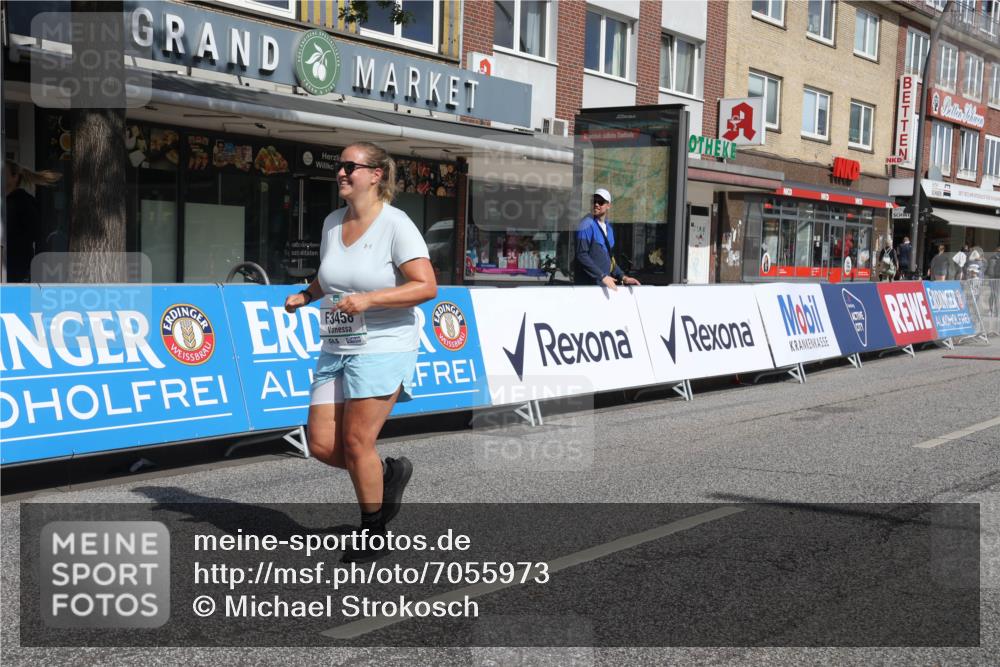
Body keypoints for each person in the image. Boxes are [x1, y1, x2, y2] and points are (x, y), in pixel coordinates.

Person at [283, 142, 436, 563]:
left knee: (356, 441)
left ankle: (373, 531)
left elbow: (425, 286)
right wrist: (306, 294)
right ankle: (385, 475)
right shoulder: (333, 221)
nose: (341, 173)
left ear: (377, 175)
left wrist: (370, 301)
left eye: (351, 166)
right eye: (340, 166)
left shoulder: (396, 224)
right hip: (337, 342)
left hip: (384, 343)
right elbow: (332, 276)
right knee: (321, 444)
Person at [4, 160, 62, 283]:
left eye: (2, 172)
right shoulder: (6, 202)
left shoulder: (22, 202)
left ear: (15, 177)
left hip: (16, 270)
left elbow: (36, 233)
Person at [574, 188, 640, 290]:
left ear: (608, 205)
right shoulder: (586, 224)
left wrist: (623, 276)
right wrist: (602, 276)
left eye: (600, 202)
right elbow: (581, 255)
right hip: (588, 288)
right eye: (594, 201)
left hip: (603, 287)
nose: (596, 204)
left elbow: (610, 260)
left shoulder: (609, 228)